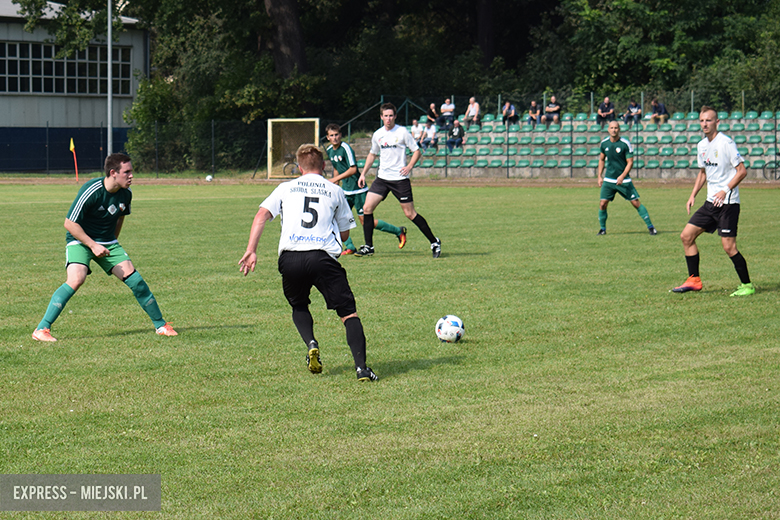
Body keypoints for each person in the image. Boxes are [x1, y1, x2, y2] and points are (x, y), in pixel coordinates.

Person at [238, 144, 378, 382]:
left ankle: (311, 343)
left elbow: (261, 215)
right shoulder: (334, 190)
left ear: (299, 168)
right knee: (348, 314)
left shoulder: (285, 188)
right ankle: (362, 369)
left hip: (290, 257)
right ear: (324, 166)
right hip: (322, 257)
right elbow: (345, 236)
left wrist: (251, 250)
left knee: (299, 305)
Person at [31, 153, 178, 342]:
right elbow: (69, 223)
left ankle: (161, 325)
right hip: (81, 240)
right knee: (76, 279)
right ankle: (41, 329)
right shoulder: (91, 190)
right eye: (127, 172)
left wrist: (111, 244)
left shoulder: (126, 194)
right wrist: (92, 245)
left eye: (131, 171)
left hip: (107, 243)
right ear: (113, 173)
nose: (131, 176)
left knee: (136, 281)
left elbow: (120, 218)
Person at [672, 106, 754, 296]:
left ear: (717, 122)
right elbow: (703, 173)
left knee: (729, 247)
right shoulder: (702, 145)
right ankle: (694, 280)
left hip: (728, 204)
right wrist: (692, 195)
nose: (704, 124)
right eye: (702, 121)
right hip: (710, 203)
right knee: (686, 236)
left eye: (708, 120)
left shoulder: (726, 143)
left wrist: (725, 190)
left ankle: (747, 285)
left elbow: (742, 171)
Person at [356, 103, 441, 258]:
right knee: (367, 209)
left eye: (391, 116)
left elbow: (416, 151)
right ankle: (369, 246)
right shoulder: (378, 134)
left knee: (409, 213)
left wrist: (409, 167)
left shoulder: (402, 132)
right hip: (382, 178)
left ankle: (434, 241)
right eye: (385, 116)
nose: (388, 119)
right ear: (381, 117)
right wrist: (363, 174)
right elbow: (372, 154)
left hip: (400, 179)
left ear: (395, 116)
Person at [325, 124, 407, 256]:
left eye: (336, 135)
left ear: (340, 135)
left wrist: (335, 179)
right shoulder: (329, 150)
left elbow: (353, 169)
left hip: (358, 190)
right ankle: (350, 246)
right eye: (331, 135)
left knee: (365, 221)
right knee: (335, 217)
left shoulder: (345, 148)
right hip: (345, 191)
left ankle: (398, 231)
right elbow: (336, 167)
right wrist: (335, 184)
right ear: (328, 137)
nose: (334, 138)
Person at [596, 121, 657, 236]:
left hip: (624, 181)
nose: (614, 130)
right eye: (611, 128)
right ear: (608, 129)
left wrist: (622, 176)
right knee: (603, 204)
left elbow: (630, 162)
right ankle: (602, 229)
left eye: (616, 128)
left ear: (619, 130)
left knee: (635, 203)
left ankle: (651, 227)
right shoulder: (604, 144)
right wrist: (599, 176)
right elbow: (602, 159)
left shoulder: (624, 144)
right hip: (609, 180)